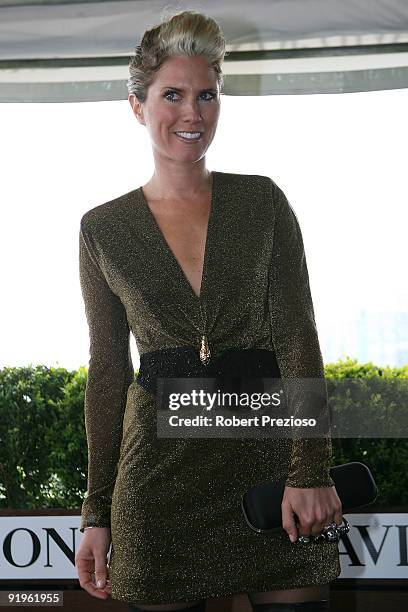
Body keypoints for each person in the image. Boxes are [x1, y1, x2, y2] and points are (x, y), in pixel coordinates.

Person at [74, 9, 345, 612]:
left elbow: (298, 337)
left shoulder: (262, 202)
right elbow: (109, 373)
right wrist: (97, 509)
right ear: (138, 105)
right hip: (159, 482)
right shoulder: (103, 229)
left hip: (272, 464)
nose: (192, 113)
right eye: (173, 94)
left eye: (207, 95)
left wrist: (310, 471)